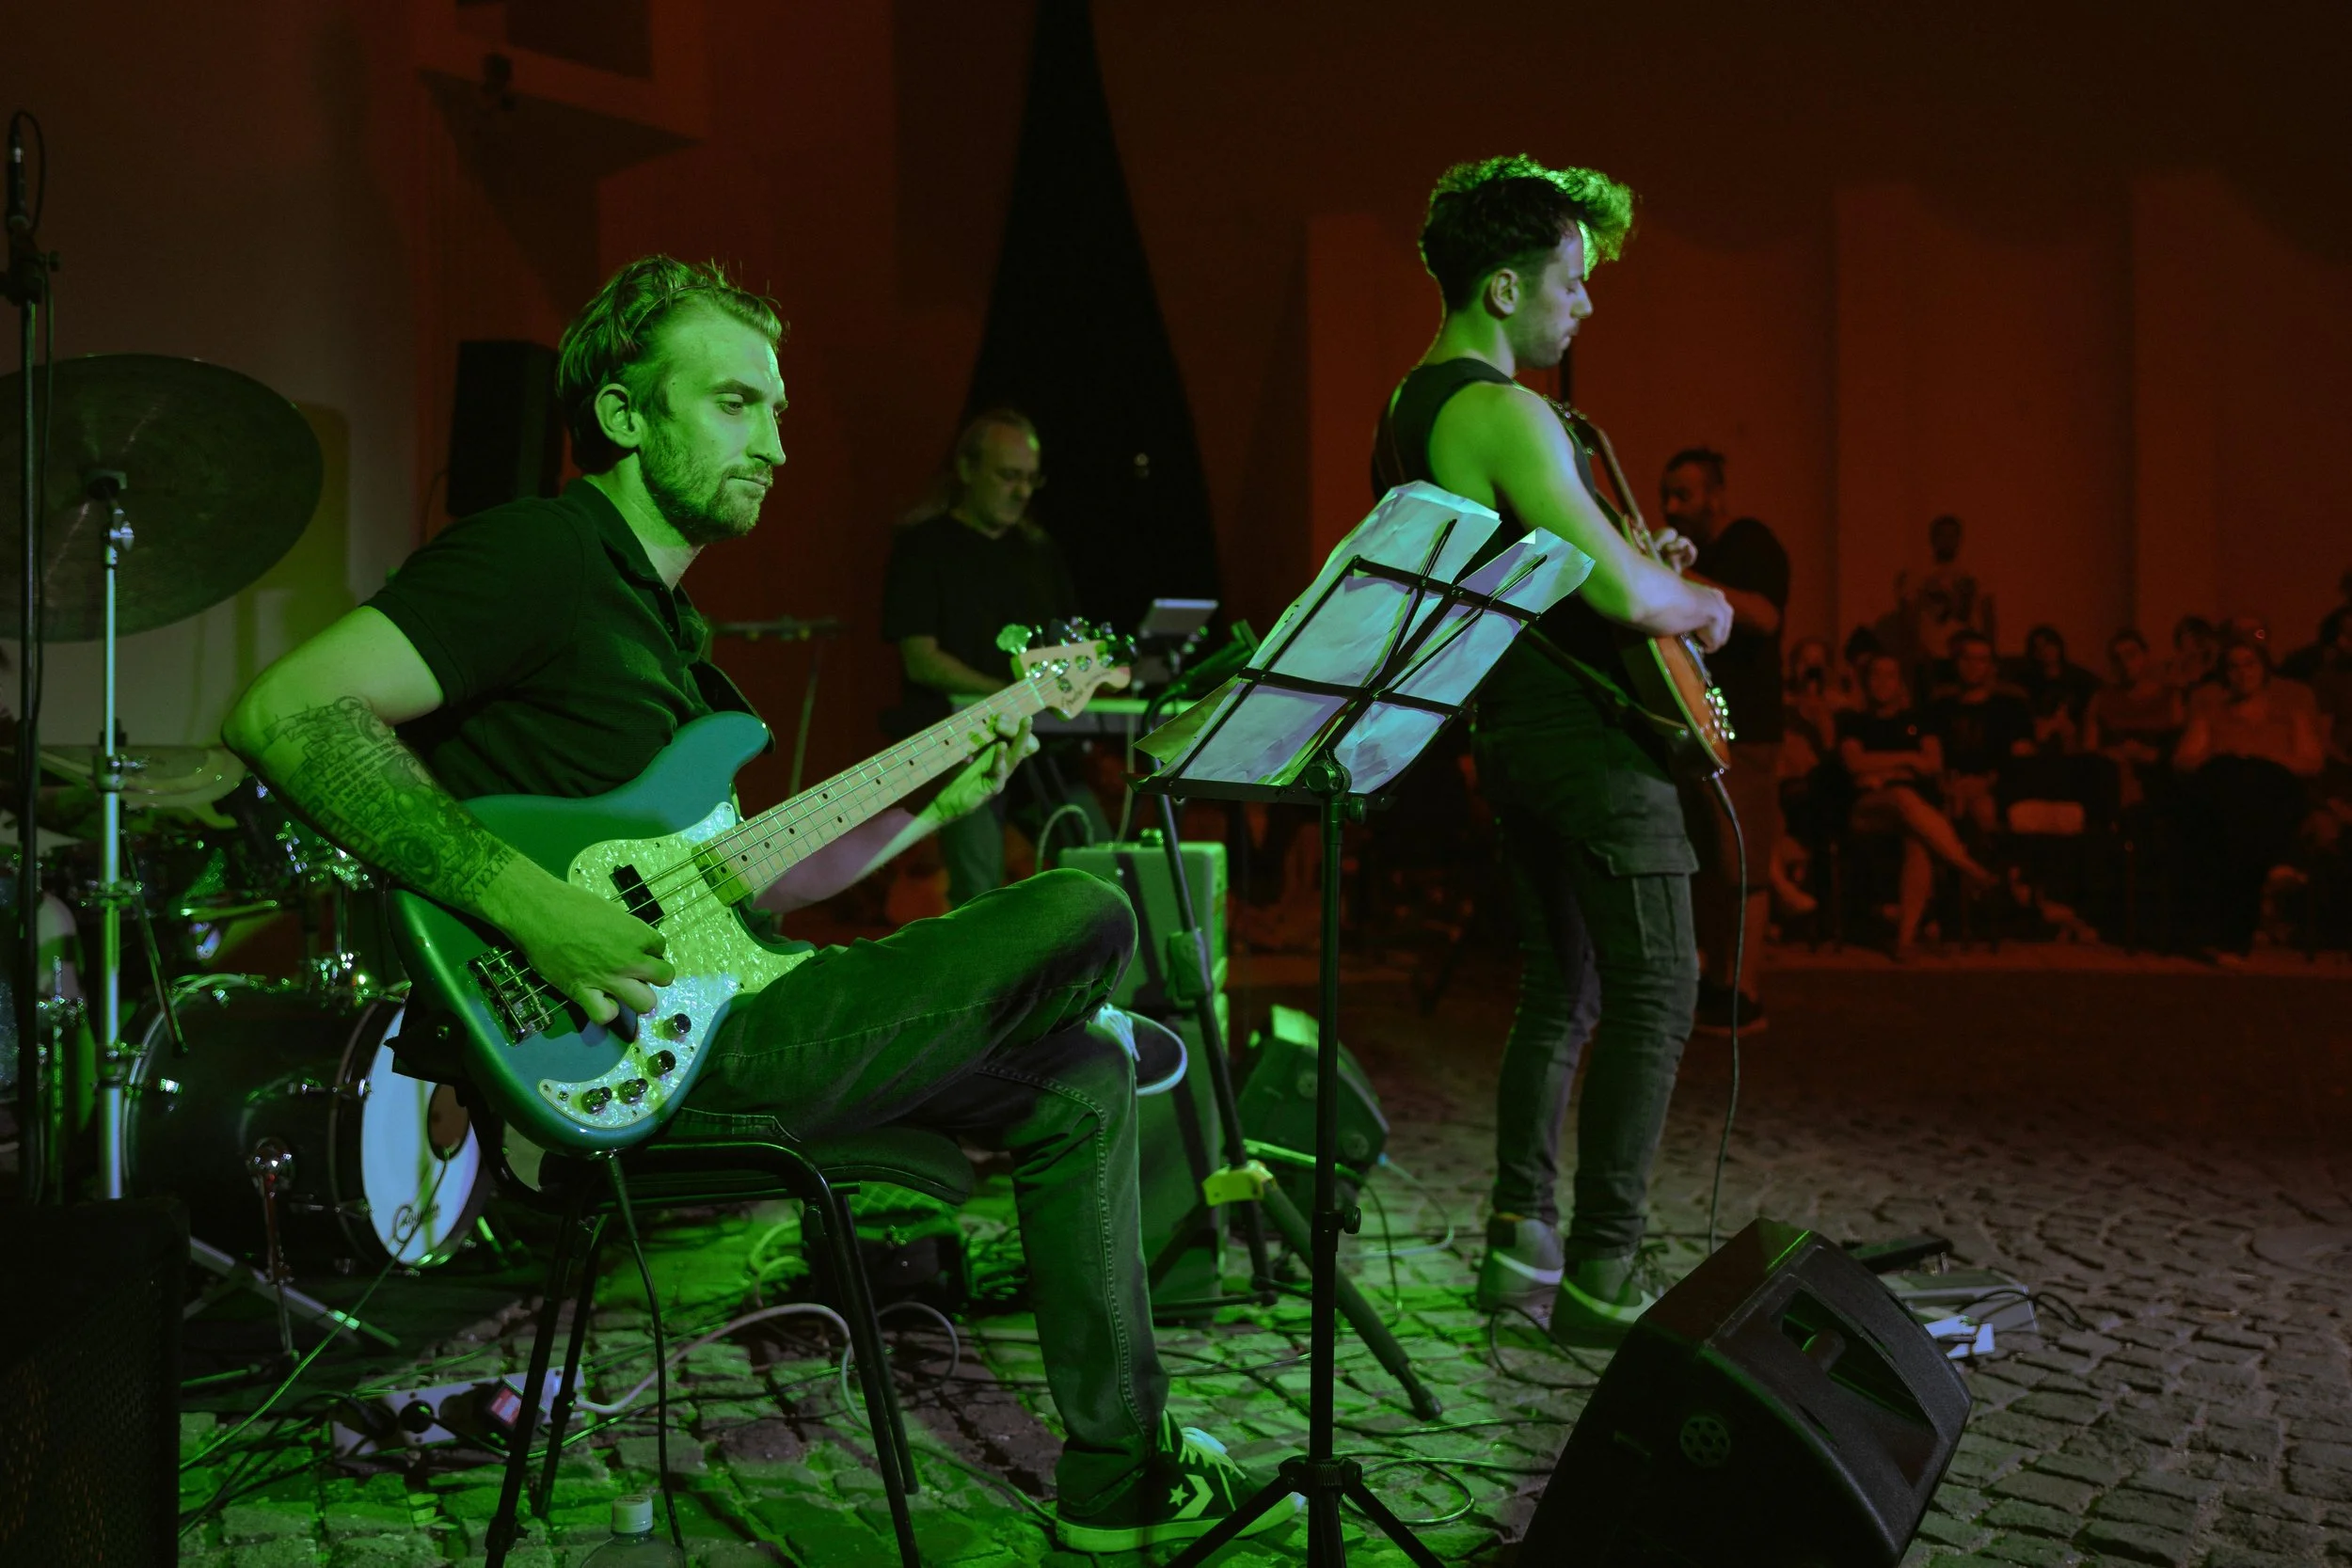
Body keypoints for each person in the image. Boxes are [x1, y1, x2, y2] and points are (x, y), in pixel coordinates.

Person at [222, 258, 1296, 1553]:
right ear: (624, 416)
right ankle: (1097, 1019)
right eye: (737, 401)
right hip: (636, 1046)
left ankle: (1118, 1469)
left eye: (777, 410)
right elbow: (286, 712)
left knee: (1079, 1080)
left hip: (743, 1001)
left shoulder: (674, 640)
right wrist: (531, 904)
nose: (776, 442)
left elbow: (762, 879)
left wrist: (944, 805)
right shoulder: (538, 554)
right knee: (1089, 907)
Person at [1368, 155, 1732, 1345]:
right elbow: (1621, 592)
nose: (1586, 302)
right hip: (1586, 740)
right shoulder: (1501, 407)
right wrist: (1701, 603)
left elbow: (1554, 570)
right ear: (1503, 286)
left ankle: (1516, 1239)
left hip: (1509, 731)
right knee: (1655, 988)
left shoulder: (1409, 408)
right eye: (1570, 279)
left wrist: (1640, 569)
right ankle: (1604, 1274)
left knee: (1557, 992)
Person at [881, 409, 1108, 906]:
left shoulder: (1039, 551)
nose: (1022, 491)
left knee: (1102, 867)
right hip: (967, 745)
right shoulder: (924, 547)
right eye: (1009, 476)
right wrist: (1016, 694)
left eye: (1031, 479)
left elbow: (1073, 645)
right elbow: (920, 659)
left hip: (1044, 745)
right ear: (966, 469)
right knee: (979, 894)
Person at [1658, 447, 1788, 1033]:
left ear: (1715, 494)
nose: (1671, 506)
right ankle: (1717, 982)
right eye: (1668, 494)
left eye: (1683, 494)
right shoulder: (1703, 553)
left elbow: (1764, 614)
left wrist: (1682, 579)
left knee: (1743, 864)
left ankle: (1745, 991)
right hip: (1702, 727)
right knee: (1710, 862)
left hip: (1747, 731)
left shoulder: (1751, 543)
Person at [2172, 635, 2325, 959]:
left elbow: (2312, 761)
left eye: (2250, 664)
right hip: (2226, 795)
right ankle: (2274, 872)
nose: (2242, 673)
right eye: (2234, 667)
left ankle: (2231, 932)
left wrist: (2263, 756)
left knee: (2253, 797)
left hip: (2273, 791)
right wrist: (2227, 755)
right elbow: (2185, 759)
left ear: (2264, 668)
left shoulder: (2289, 711)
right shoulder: (2212, 712)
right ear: (2225, 674)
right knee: (2233, 796)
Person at [1836, 653, 1997, 956]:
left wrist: (1884, 771)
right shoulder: (1853, 721)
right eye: (1876, 675)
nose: (1883, 683)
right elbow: (1855, 763)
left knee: (1918, 839)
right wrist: (1908, 759)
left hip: (1913, 811)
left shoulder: (1919, 721)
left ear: (1900, 684)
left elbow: (1933, 763)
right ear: (1866, 681)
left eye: (1890, 675)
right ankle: (1968, 866)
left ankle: (1905, 939)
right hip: (1868, 810)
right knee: (1901, 797)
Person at [1927, 632, 2035, 840]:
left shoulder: (2011, 706)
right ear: (1956, 662)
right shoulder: (1940, 706)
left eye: (1981, 660)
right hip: (1949, 785)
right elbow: (1930, 749)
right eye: (1967, 658)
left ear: (1992, 666)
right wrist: (1945, 781)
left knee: (1982, 809)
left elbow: (2021, 757)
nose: (1973, 666)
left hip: (1993, 786)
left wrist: (1987, 782)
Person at [2083, 628, 2184, 810]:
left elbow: (2181, 746)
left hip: (2157, 771)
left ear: (2145, 655)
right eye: (2117, 658)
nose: (2125, 663)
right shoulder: (2101, 698)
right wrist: (2110, 754)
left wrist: (2153, 755)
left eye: (2131, 655)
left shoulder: (2170, 697)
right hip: (2111, 772)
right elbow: (2089, 748)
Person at [2014, 624, 2100, 754]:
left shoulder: (2080, 678)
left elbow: (2094, 701)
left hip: (2073, 730)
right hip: (2040, 729)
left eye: (2048, 645)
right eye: (2038, 648)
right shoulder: (2027, 681)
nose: (2044, 651)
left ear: (2058, 647)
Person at [2168, 613, 2221, 691]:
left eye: (2190, 635)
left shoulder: (2214, 668)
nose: (2185, 639)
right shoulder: (2175, 667)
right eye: (2183, 634)